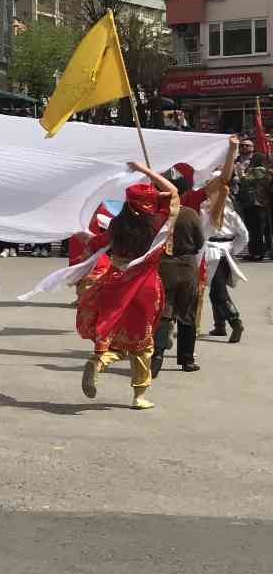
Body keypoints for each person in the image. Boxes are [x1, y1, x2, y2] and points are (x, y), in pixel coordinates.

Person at [74, 164, 179, 409]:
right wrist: (145, 170)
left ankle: (100, 360)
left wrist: (78, 233)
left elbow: (95, 242)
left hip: (115, 281)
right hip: (145, 285)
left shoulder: (117, 225)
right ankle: (139, 396)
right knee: (143, 341)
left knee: (117, 334)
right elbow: (173, 192)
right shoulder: (158, 224)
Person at [152, 166, 208, 376]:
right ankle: (187, 360)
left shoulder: (157, 215)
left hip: (163, 267)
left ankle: (157, 354)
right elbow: (199, 242)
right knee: (187, 314)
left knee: (164, 312)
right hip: (186, 267)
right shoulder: (190, 214)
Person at [205, 188, 249, 344]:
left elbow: (244, 235)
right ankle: (220, 326)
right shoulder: (207, 211)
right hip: (217, 253)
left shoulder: (227, 214)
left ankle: (235, 322)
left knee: (218, 292)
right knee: (216, 290)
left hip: (216, 254)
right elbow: (244, 236)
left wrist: (232, 250)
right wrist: (232, 250)